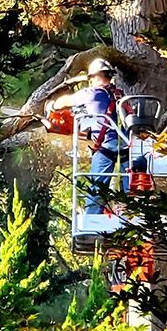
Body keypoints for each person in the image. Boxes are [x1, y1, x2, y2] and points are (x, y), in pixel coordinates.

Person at [47, 58, 128, 214]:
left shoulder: (92, 93)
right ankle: (130, 216)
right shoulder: (119, 95)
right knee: (129, 190)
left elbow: (66, 101)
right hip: (127, 144)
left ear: (95, 77)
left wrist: (51, 106)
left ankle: (92, 220)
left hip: (107, 146)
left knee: (97, 189)